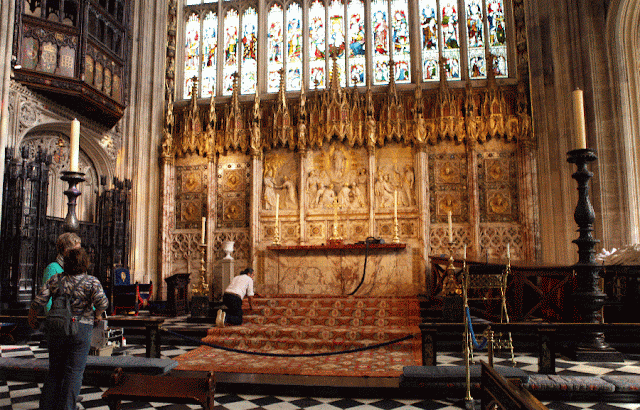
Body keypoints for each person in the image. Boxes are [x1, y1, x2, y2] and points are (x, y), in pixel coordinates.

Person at [28, 247, 108, 410]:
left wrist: (32, 318)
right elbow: (102, 303)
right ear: (85, 263)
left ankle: (46, 407)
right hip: (80, 329)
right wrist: (98, 315)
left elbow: (38, 302)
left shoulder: (55, 279)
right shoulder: (91, 281)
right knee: (74, 373)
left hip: (57, 329)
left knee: (55, 371)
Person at [42, 232, 82, 312]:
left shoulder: (77, 269)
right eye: (77, 250)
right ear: (67, 250)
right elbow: (46, 298)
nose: (80, 253)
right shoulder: (53, 268)